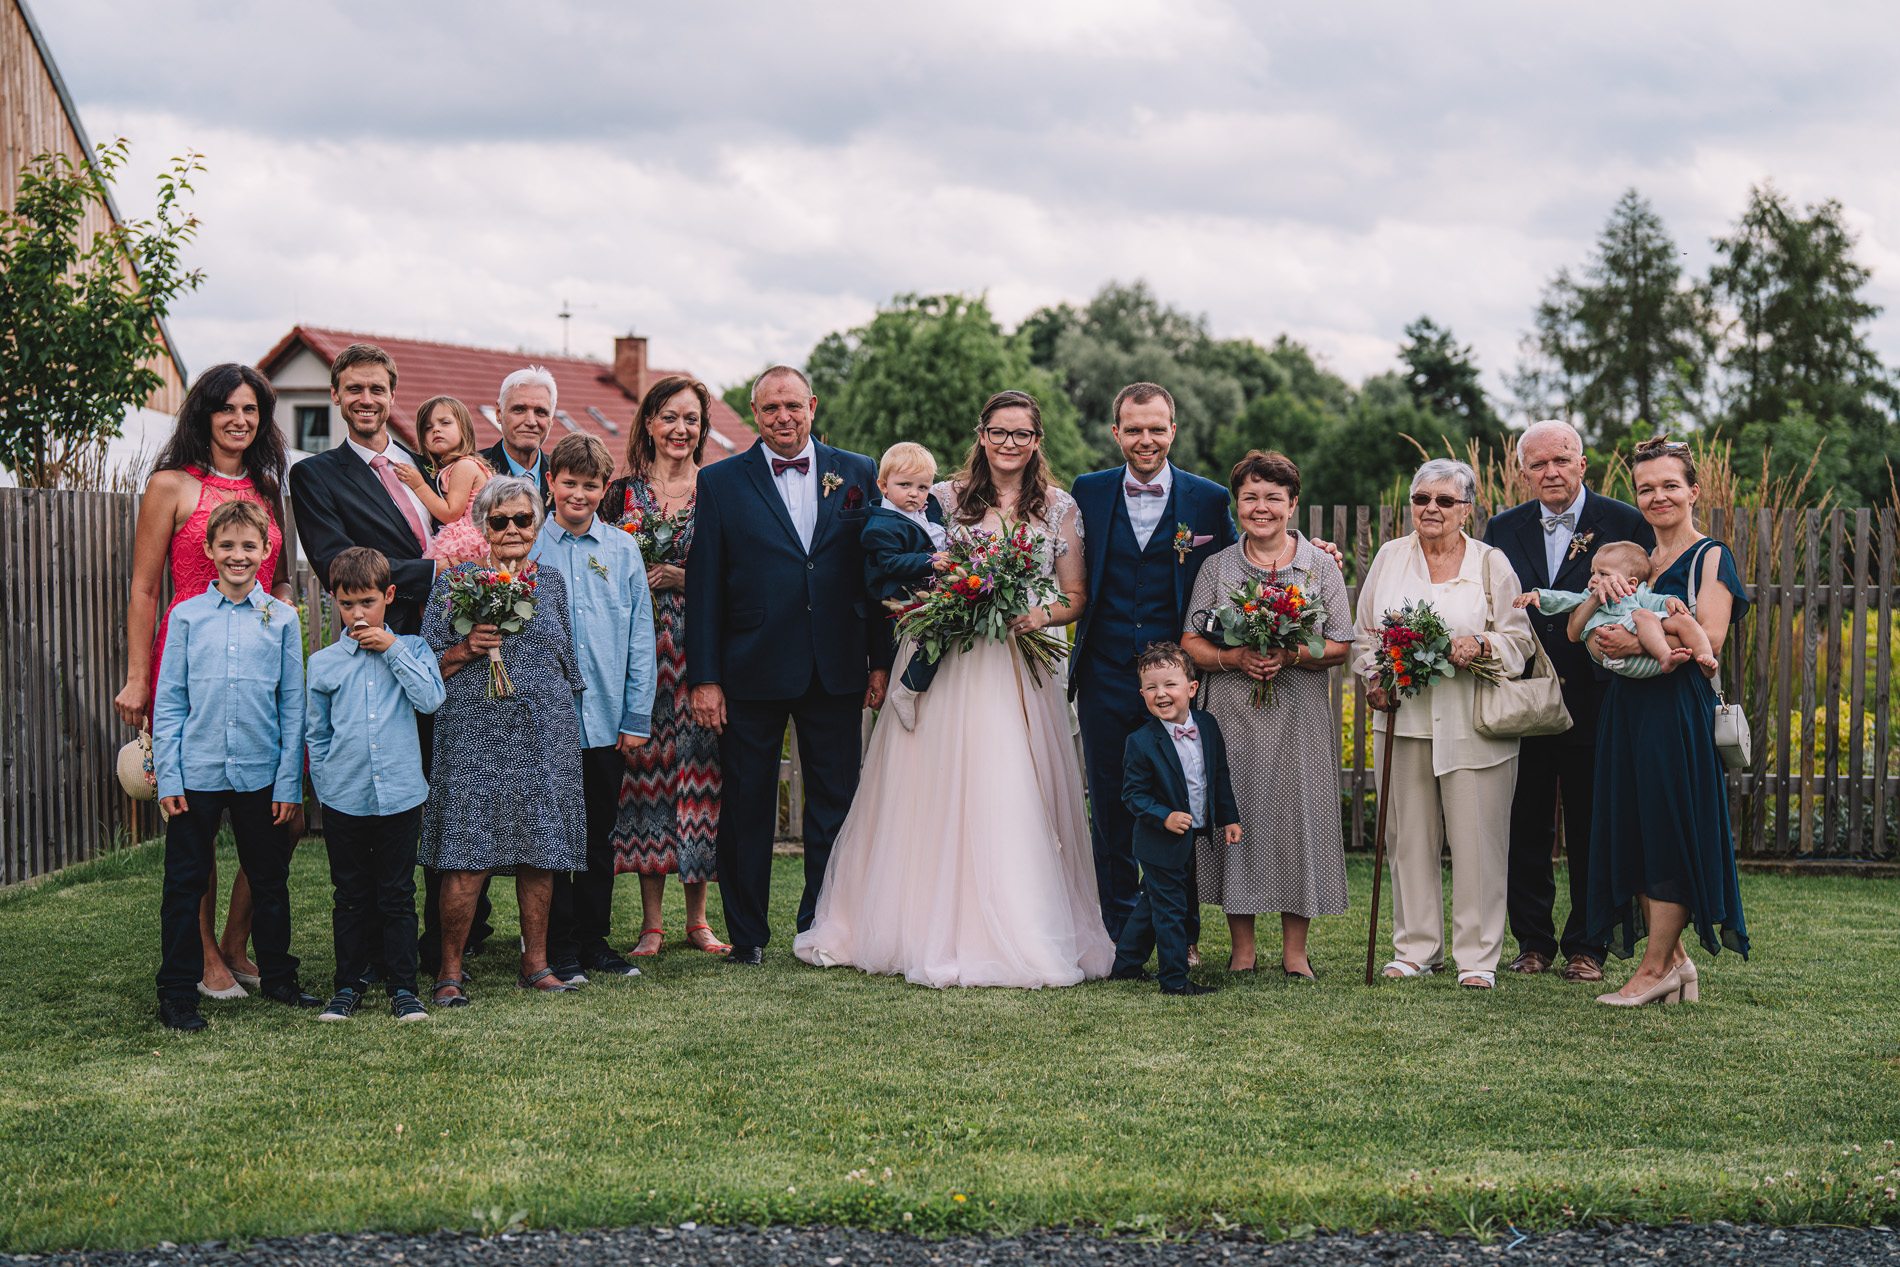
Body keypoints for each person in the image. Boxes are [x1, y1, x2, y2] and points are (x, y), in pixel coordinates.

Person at [793, 390, 1115, 989]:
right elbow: (900, 565)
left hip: (1020, 661)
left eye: (1021, 433)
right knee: (931, 783)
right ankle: (917, 919)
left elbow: (1075, 597)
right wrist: (949, 595)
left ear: (1037, 441)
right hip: (946, 659)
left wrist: (1036, 615)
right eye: (999, 432)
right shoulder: (942, 498)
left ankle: (1018, 921)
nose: (1009, 443)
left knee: (1009, 782)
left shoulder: (1060, 508)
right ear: (982, 435)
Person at [685, 366, 890, 965]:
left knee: (836, 802)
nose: (783, 417)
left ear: (813, 406)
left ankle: (824, 925)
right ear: (755, 413)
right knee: (746, 806)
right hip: (751, 665)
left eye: (793, 406)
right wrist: (705, 677)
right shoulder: (720, 480)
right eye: (771, 408)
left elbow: (875, 571)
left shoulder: (857, 471)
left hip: (837, 662)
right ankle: (747, 935)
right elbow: (704, 583)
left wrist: (879, 660)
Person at [113, 363, 294, 1002]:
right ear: (204, 414)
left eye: (251, 410)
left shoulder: (270, 487)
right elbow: (143, 587)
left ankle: (237, 942)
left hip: (261, 663)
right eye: (227, 408)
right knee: (196, 813)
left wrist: (283, 618)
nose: (239, 421)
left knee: (278, 820)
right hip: (188, 659)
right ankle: (204, 956)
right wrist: (139, 677)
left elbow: (280, 579)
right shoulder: (170, 485)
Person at [285, 343, 464, 973]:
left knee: (443, 793)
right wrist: (439, 573)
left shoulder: (425, 466)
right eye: (354, 389)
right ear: (335, 396)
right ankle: (367, 950)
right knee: (382, 801)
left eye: (377, 389)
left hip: (451, 646)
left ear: (393, 395)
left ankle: (444, 940)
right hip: (379, 653)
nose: (366, 399)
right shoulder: (315, 476)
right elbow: (338, 561)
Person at [1353, 458, 1536, 990]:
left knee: (1478, 843)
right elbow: (1365, 634)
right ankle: (1416, 949)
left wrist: (1479, 643)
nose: (1431, 508)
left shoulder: (1490, 563)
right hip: (1403, 720)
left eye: (1445, 500)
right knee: (1407, 839)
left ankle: (1476, 958)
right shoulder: (1390, 557)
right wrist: (1374, 677)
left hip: (1474, 724)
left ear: (1467, 510)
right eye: (1421, 499)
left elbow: (1520, 642)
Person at [1578, 438, 1750, 1005]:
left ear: (1694, 491)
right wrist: (1604, 638)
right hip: (1626, 710)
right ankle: (1676, 964)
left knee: (1668, 830)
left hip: (1675, 712)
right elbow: (1594, 638)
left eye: (1670, 485)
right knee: (1634, 829)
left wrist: (1633, 641)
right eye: (1646, 488)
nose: (1658, 497)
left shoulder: (1711, 557)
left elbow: (1712, 640)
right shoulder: (1632, 562)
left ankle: (1653, 971)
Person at [1481, 418, 1652, 984]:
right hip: (1525, 694)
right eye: (1538, 464)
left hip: (1598, 697)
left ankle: (1588, 944)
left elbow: (1645, 597)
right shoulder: (1502, 527)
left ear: (1582, 464)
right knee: (1525, 823)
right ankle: (1533, 941)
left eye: (1561, 460)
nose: (1550, 471)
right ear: (1523, 472)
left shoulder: (1624, 522)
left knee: (1592, 825)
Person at [1069, 384, 1236, 942]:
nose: (1146, 439)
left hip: (1175, 680)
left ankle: (1180, 936)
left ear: (1173, 430)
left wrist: (1309, 552)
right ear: (1116, 432)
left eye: (1156, 428)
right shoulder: (1087, 492)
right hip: (1103, 672)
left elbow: (1239, 564)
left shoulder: (1207, 498)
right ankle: (1117, 932)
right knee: (1110, 802)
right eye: (1134, 429)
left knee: (1180, 802)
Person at [1178, 451, 1353, 978]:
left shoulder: (1319, 566)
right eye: (1250, 497)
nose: (1261, 507)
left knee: (1300, 818)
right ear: (1237, 503)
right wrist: (1234, 657)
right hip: (1233, 714)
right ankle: (1244, 949)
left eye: (1273, 498)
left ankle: (1296, 952)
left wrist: (1290, 654)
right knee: (1240, 817)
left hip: (1299, 714)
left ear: (1292, 504)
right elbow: (1190, 641)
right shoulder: (1217, 567)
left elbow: (1340, 644)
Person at [151, 499, 318, 1030]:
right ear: (209, 549)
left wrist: (288, 782)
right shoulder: (186, 616)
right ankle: (178, 991)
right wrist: (169, 776)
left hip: (260, 772)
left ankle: (280, 977)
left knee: (269, 880)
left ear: (266, 551)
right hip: (195, 772)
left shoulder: (282, 618)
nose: (237, 555)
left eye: (249, 546)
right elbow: (169, 702)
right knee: (184, 884)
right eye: (226, 545)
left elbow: (292, 706)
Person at [420, 477, 587, 1003]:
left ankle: (535, 964)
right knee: (467, 853)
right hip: (474, 734)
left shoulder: (551, 582)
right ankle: (449, 971)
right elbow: (425, 668)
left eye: (522, 519)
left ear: (537, 524)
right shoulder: (454, 583)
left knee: (542, 851)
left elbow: (567, 659)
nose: (512, 529)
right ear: (482, 526)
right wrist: (466, 647)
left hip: (543, 733)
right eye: (500, 520)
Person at [604, 377, 729, 957]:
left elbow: (739, 574)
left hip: (702, 653)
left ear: (702, 429)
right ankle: (651, 923)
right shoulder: (619, 496)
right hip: (637, 656)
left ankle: (698, 919)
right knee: (644, 780)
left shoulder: (721, 491)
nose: (681, 429)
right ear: (649, 424)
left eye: (692, 419)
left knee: (703, 778)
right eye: (670, 417)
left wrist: (684, 577)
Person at [532, 433, 656, 982]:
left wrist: (635, 716)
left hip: (606, 718)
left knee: (600, 834)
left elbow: (639, 636)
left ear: (605, 489)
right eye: (569, 482)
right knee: (554, 837)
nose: (578, 494)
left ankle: (594, 942)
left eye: (590, 484)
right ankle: (556, 945)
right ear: (550, 482)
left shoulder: (622, 549)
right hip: (547, 721)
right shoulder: (532, 546)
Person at [305, 548, 446, 1023]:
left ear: (389, 595)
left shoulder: (414, 649)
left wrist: (392, 649)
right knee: (350, 896)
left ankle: (403, 988)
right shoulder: (324, 664)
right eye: (347, 604)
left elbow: (430, 700)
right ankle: (348, 986)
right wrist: (327, 785)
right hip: (344, 797)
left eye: (367, 602)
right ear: (335, 601)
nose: (358, 614)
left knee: (397, 894)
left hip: (401, 796)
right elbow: (316, 733)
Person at [1108, 643, 1240, 997]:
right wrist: (1164, 816)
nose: (1161, 694)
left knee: (1153, 903)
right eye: (1151, 687)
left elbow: (1219, 775)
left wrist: (1229, 819)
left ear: (1191, 688)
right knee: (1171, 909)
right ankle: (1175, 980)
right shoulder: (1140, 742)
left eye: (1170, 684)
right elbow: (1133, 795)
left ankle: (1126, 967)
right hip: (1157, 842)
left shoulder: (1207, 726)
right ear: (1142, 694)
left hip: (1190, 837)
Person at [1517, 542, 1718, 676]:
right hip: (1617, 655)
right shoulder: (1590, 595)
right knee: (1643, 614)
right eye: (1593, 572)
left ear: (1631, 582)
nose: (1595, 579)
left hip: (1647, 660)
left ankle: (1705, 659)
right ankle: (1665, 656)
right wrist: (1539, 596)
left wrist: (1670, 601)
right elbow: (1565, 598)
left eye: (1603, 574)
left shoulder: (1637, 593)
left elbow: (1654, 600)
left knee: (1682, 619)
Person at [863, 441, 949, 713]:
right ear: (883, 485)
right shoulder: (881, 525)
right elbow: (891, 562)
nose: (914, 493)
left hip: (931, 594)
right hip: (901, 600)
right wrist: (930, 561)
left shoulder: (927, 511)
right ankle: (908, 690)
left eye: (922, 487)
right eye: (905, 485)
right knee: (939, 632)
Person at [396, 396, 495, 567]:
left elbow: (451, 514)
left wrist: (419, 485)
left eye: (445, 423)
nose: (436, 429)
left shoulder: (464, 466)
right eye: (428, 428)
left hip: (470, 540)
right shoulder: (452, 467)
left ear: (464, 429)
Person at [479, 367, 554, 502]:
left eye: (540, 412)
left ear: (552, 418)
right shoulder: (472, 470)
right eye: (519, 409)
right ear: (499, 413)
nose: (531, 422)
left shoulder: (563, 476)